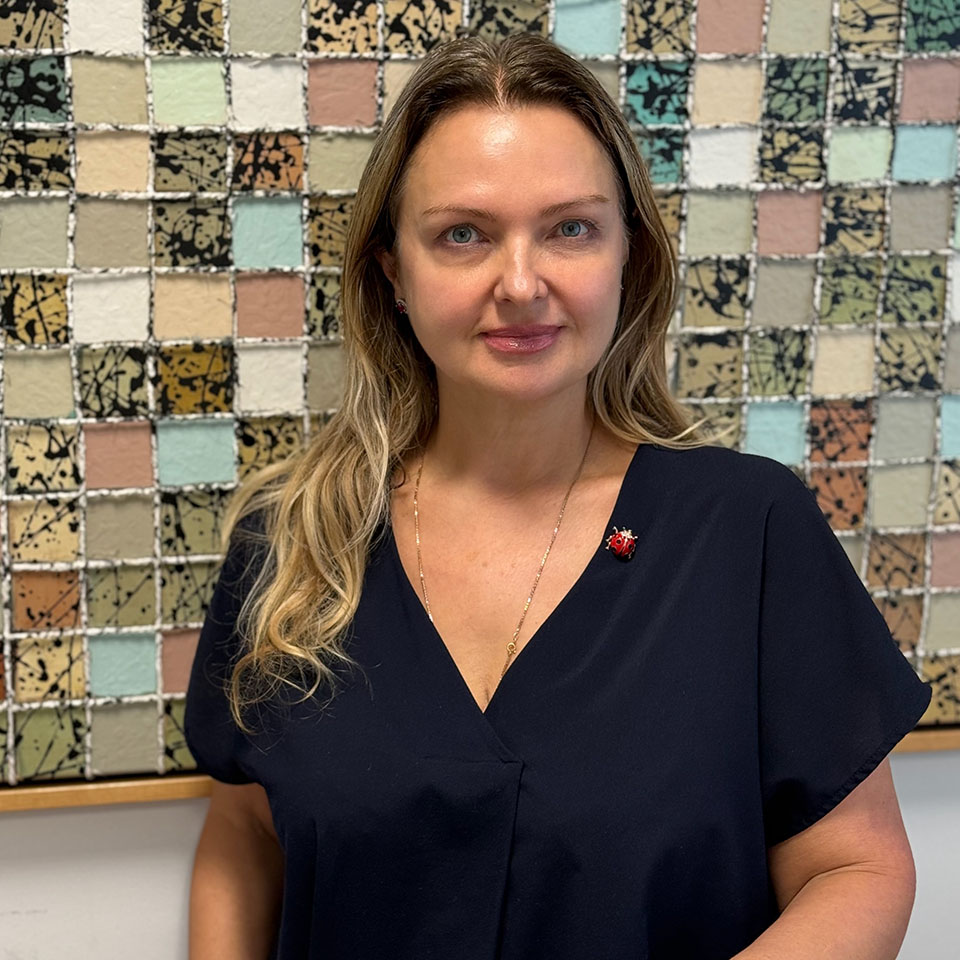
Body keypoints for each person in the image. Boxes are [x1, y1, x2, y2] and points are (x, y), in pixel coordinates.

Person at [184, 31, 931, 960]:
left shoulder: (748, 530)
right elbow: (243, 841)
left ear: (629, 257)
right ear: (394, 273)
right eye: (463, 234)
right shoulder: (293, 538)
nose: (521, 283)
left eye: (571, 229)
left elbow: (857, 869)